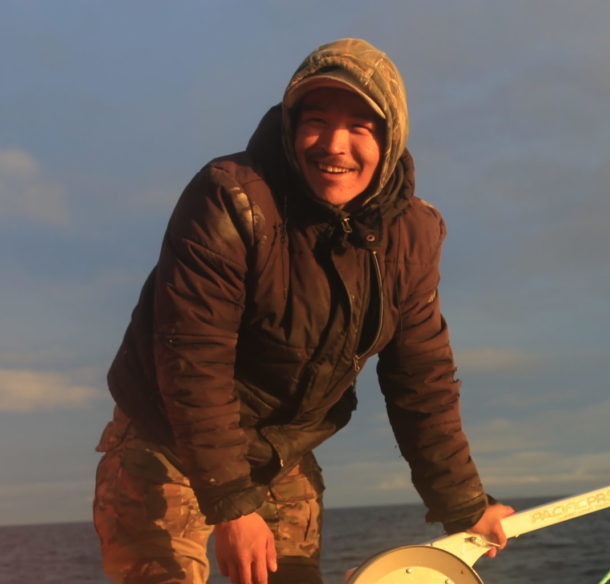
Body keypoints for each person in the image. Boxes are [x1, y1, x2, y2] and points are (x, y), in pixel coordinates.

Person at [93, 38, 514, 584]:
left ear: (390, 141)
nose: (335, 145)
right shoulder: (230, 200)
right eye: (315, 120)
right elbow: (194, 363)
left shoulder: (413, 235)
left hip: (282, 451)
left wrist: (465, 505)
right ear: (291, 127)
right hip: (165, 439)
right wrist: (231, 505)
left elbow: (422, 383)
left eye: (361, 127)